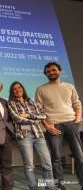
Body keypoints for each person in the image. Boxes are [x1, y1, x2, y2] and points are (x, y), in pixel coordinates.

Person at [35, 62, 83, 190]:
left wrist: (77, 121)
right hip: (53, 126)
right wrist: (47, 126)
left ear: (59, 71)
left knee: (80, 156)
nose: (51, 73)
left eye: (54, 70)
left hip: (71, 124)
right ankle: (60, 185)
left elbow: (77, 105)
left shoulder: (69, 86)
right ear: (45, 74)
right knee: (56, 158)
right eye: (48, 71)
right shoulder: (41, 89)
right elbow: (38, 111)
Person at [8, 81, 54, 190]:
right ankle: (33, 188)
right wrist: (35, 120)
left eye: (19, 88)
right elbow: (17, 118)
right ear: (12, 92)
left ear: (22, 89)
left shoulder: (31, 102)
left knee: (47, 164)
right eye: (15, 89)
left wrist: (29, 115)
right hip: (24, 136)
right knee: (29, 166)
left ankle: (50, 187)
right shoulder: (11, 103)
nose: (18, 90)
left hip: (38, 134)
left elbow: (43, 115)